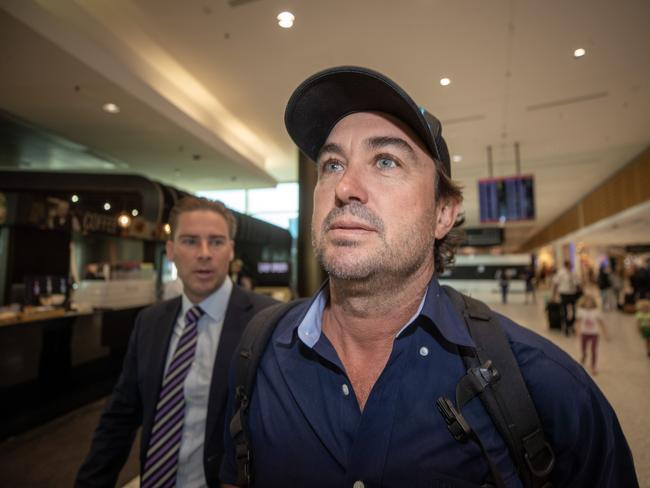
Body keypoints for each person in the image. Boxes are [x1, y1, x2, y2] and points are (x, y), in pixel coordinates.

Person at [219, 67, 637, 487]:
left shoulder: (545, 387)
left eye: (386, 160)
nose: (345, 186)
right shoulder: (257, 353)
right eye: (331, 163)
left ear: (442, 213)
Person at [76, 197, 276, 487]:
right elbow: (120, 417)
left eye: (217, 242)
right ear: (170, 251)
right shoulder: (150, 321)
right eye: (190, 241)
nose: (204, 254)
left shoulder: (265, 321)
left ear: (231, 250)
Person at [575, 293, 609, 374]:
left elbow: (601, 323)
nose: (588, 304)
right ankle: (584, 355)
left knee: (594, 350)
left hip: (594, 334)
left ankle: (593, 366)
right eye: (587, 302)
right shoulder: (581, 311)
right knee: (583, 348)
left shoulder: (596, 312)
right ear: (583, 303)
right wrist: (577, 332)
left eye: (590, 302)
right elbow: (578, 322)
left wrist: (605, 333)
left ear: (593, 303)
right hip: (584, 333)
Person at [551, 260, 580, 336]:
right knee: (565, 311)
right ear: (566, 265)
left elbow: (577, 283)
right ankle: (566, 327)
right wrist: (553, 296)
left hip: (572, 293)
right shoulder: (560, 273)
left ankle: (571, 325)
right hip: (564, 293)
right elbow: (556, 284)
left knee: (574, 311)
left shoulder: (573, 273)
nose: (570, 266)